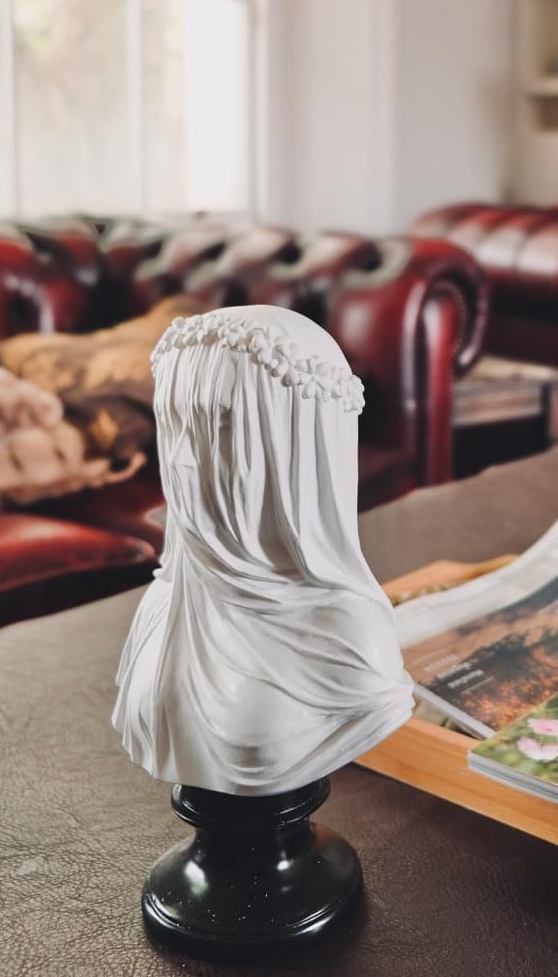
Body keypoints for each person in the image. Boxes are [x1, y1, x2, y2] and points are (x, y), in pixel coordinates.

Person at [113, 305, 413, 794]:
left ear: (300, 444)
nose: (182, 459)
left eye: (222, 427)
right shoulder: (161, 607)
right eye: (173, 423)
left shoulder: (349, 638)